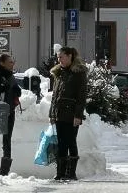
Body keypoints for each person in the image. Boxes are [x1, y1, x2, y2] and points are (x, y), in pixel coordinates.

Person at [49, 46, 88, 181]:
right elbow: (55, 95)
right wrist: (52, 114)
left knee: (71, 141)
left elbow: (81, 96)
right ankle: (60, 172)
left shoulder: (79, 73)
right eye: (58, 57)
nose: (59, 60)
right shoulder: (59, 72)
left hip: (71, 113)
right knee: (61, 142)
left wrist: (78, 115)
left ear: (70, 56)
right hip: (59, 112)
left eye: (61, 57)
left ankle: (71, 173)